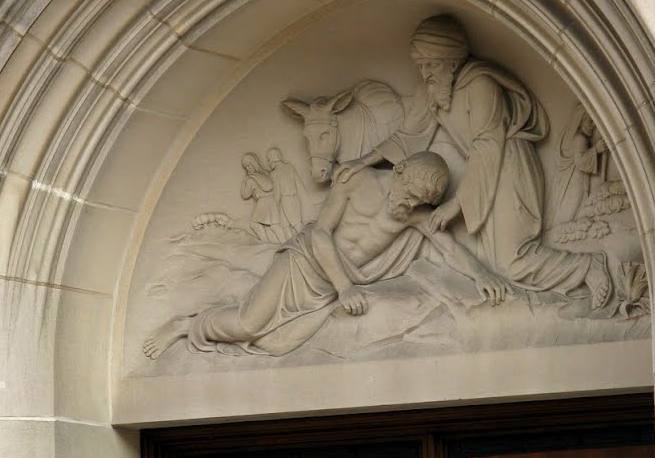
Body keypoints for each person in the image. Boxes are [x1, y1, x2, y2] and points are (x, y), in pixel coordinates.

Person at [334, 15, 611, 309]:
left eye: (431, 64)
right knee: (494, 262)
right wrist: (363, 161)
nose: (425, 72)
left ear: (452, 61)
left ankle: (587, 267)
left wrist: (456, 205)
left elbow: (487, 145)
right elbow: (408, 136)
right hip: (483, 171)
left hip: (508, 165)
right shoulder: (433, 89)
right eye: (420, 65)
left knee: (511, 261)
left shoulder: (481, 84)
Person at [142, 152, 507, 359]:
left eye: (419, 203)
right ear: (398, 171)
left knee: (274, 341)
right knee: (247, 325)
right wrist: (345, 286)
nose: (408, 205)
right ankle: (185, 325)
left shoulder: (413, 213)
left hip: (328, 290)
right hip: (303, 266)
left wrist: (482, 275)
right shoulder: (357, 181)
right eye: (408, 193)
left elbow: (449, 247)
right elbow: (319, 232)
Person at [240, 152, 284, 244]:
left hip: (263, 202)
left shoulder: (250, 179)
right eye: (246, 167)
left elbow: (245, 195)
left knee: (254, 224)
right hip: (271, 201)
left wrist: (244, 181)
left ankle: (266, 243)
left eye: (249, 165)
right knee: (275, 226)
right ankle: (286, 243)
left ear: (254, 164)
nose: (248, 168)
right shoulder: (265, 174)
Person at [266, 146, 307, 237]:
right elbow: (299, 184)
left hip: (286, 201)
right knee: (285, 225)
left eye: (268, 160)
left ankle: (306, 245)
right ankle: (292, 246)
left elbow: (277, 191)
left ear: (273, 159)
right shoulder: (289, 167)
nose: (268, 163)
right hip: (293, 199)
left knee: (296, 225)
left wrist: (274, 206)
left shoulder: (274, 173)